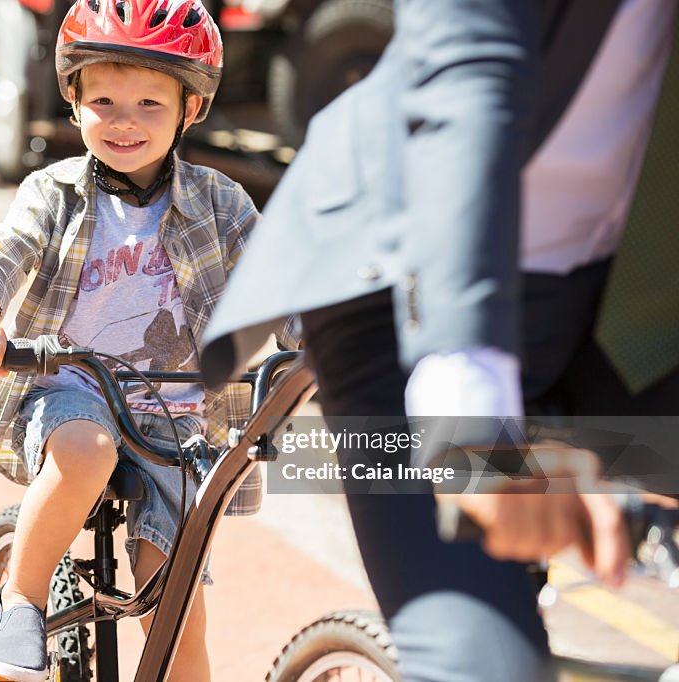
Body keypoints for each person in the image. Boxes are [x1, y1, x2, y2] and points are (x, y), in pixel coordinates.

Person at [201, 0, 678, 680]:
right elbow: (468, 73)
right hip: (408, 286)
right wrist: (470, 424)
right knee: (485, 665)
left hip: (621, 309)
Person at [0, 0, 299, 678]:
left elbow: (280, 282)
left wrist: (328, 344)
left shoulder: (221, 204)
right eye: (103, 100)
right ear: (73, 102)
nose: (125, 121)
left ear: (191, 109)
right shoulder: (54, 193)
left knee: (181, 619)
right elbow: (2, 253)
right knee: (85, 450)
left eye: (149, 105)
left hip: (178, 421)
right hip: (70, 391)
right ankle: (21, 600)